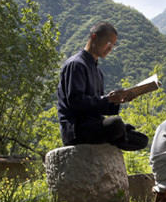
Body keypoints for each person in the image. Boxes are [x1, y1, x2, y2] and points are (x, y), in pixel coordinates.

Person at [56, 22, 148, 150]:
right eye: (109, 43)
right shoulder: (76, 64)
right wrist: (107, 99)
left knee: (142, 139)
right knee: (116, 124)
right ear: (94, 37)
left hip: (94, 124)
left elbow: (97, 107)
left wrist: (117, 100)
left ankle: (119, 135)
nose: (110, 49)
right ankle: (119, 135)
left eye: (113, 45)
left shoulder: (98, 72)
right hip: (76, 129)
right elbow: (75, 102)